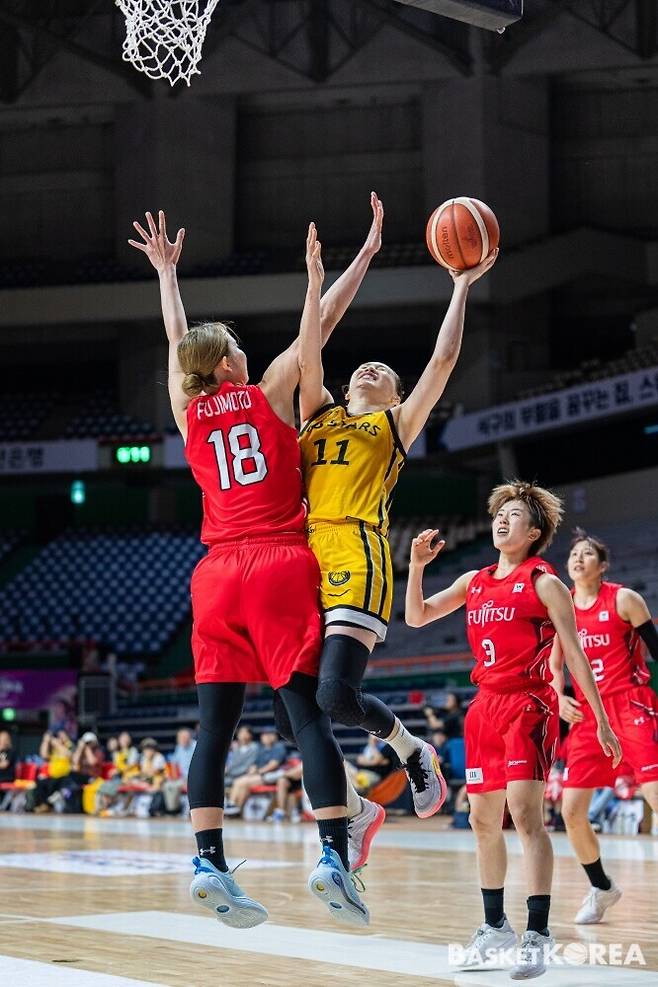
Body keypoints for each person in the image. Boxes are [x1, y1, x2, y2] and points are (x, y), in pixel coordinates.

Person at [130, 208, 378, 928]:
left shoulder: (188, 408)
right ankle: (333, 856)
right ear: (229, 364)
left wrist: (167, 276)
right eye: (235, 347)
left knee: (213, 728)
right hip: (277, 564)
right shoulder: (268, 390)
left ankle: (208, 860)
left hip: (214, 576)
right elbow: (322, 322)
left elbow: (176, 341)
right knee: (306, 716)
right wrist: (359, 256)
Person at [296, 237, 497, 833]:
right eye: (364, 366)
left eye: (384, 372)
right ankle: (357, 811)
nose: (370, 368)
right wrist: (315, 284)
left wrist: (460, 286)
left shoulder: (395, 423)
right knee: (291, 714)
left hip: (358, 553)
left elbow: (443, 361)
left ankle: (412, 749)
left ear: (397, 395)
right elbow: (308, 354)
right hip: (304, 557)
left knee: (335, 697)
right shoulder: (317, 413)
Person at [405, 480, 621, 980]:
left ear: (535, 532)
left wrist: (601, 720)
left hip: (529, 705)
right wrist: (416, 566)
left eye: (515, 514)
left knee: (525, 815)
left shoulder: (545, 583)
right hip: (484, 707)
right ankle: (494, 926)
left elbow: (576, 656)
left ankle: (538, 934)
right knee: (482, 821)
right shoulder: (474, 580)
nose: (503, 519)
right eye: (499, 513)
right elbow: (416, 617)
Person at [551, 528, 658, 924]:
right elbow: (554, 666)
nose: (578, 559)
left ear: (603, 565)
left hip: (629, 704)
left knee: (655, 794)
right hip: (588, 716)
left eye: (587, 554)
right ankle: (601, 888)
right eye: (573, 554)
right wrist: (558, 697)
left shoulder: (625, 599)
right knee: (571, 811)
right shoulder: (561, 609)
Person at [225, 728, 287, 816]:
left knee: (239, 782)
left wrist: (257, 771)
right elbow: (255, 763)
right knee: (243, 786)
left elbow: (273, 765)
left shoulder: (278, 747)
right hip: (260, 775)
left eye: (269, 735)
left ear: (275, 736)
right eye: (264, 735)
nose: (266, 737)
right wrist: (253, 769)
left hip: (271, 775)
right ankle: (236, 810)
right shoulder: (261, 748)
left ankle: (231, 804)